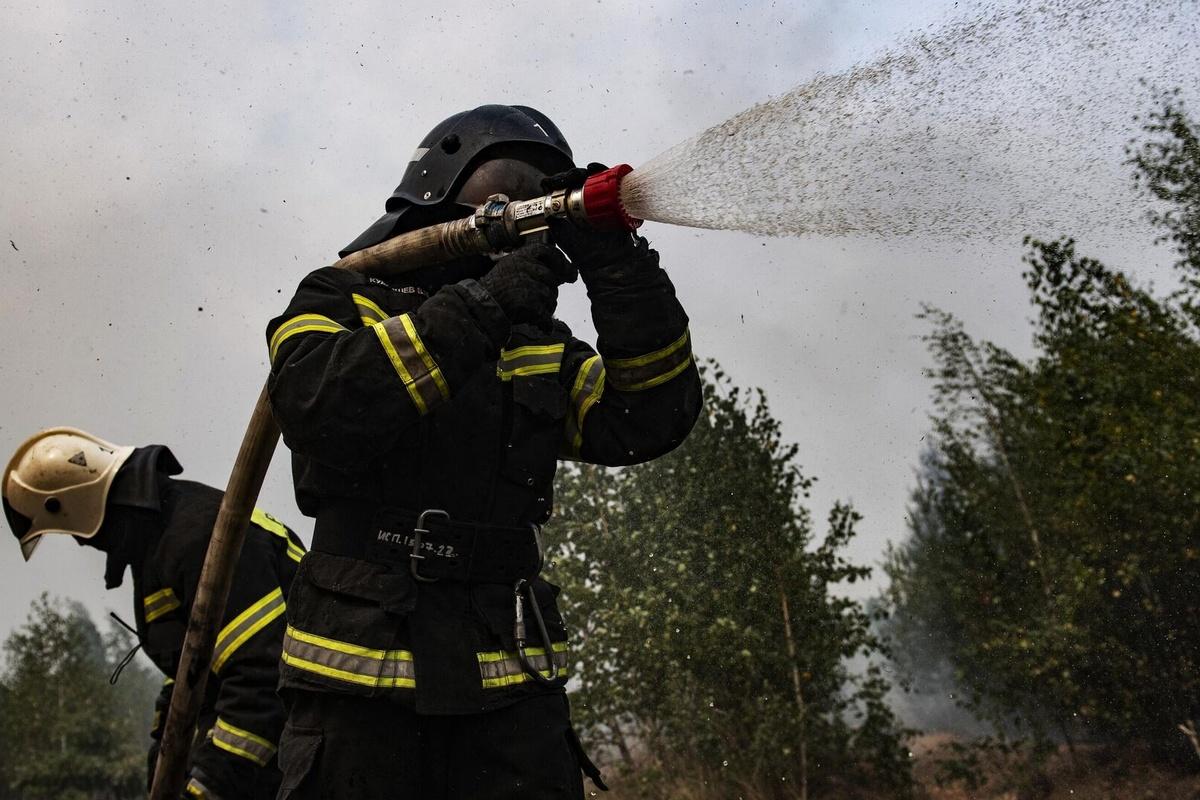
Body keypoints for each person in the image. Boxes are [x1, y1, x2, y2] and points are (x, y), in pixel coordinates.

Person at [266, 104, 703, 799]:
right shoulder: (342, 294)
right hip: (359, 703)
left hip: (511, 705)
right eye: (502, 189)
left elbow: (649, 416)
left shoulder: (535, 341)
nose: (518, 209)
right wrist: (481, 307)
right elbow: (321, 408)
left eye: (537, 193)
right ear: (438, 189)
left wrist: (619, 268)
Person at [1, 427, 305, 799]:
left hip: (304, 750)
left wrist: (205, 788)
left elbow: (260, 681)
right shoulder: (159, 546)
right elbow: (189, 674)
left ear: (81, 511)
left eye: (70, 532)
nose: (81, 543)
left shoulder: (197, 539)